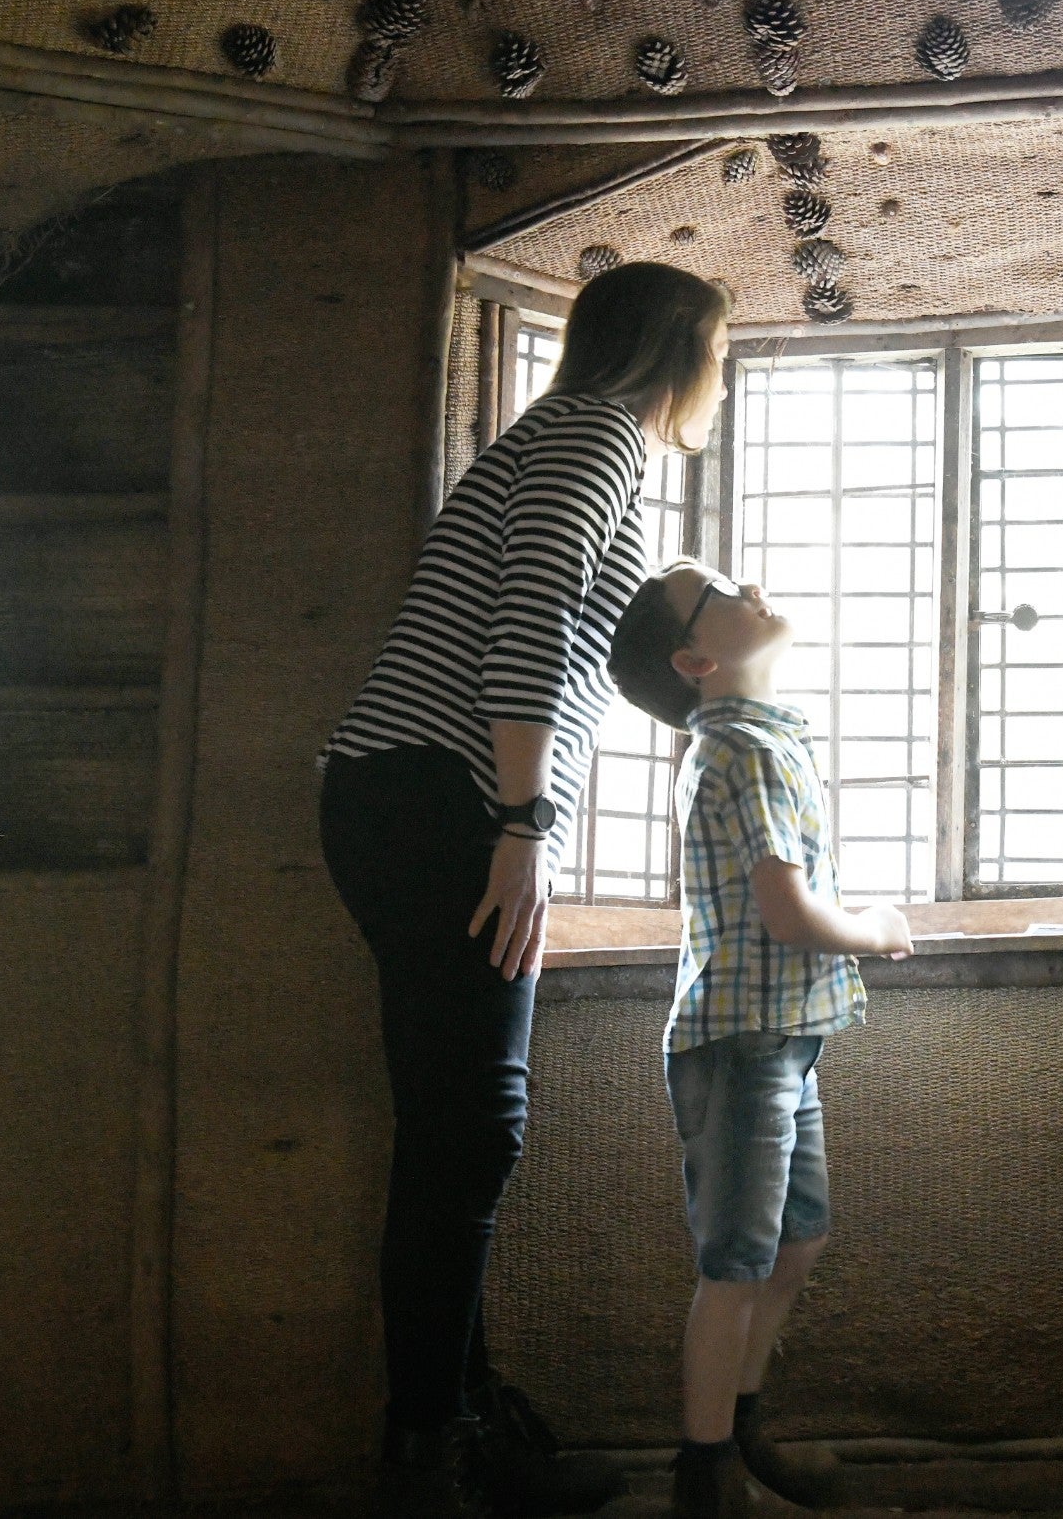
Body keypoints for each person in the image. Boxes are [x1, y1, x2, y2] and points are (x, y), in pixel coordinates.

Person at [318, 263, 733, 1518]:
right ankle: (429, 1456)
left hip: (412, 794)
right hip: (438, 795)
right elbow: (532, 625)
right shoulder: (598, 436)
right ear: (676, 352)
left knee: (457, 1127)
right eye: (720, 348)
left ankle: (461, 1429)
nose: (723, 373)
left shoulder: (565, 437)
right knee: (473, 1130)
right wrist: (522, 823)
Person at [607, 558, 914, 1519]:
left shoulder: (763, 741)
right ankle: (705, 1478)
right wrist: (878, 926)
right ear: (695, 658)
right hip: (742, 1040)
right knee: (736, 1259)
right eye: (720, 594)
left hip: (781, 1036)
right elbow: (788, 912)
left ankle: (739, 1434)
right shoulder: (738, 750)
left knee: (796, 1243)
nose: (753, 592)